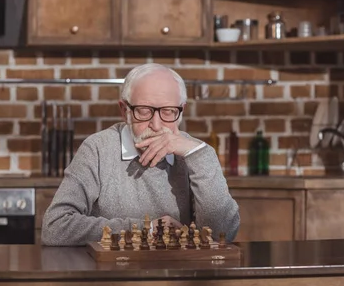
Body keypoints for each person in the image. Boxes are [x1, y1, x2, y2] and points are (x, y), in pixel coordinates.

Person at [42, 63, 239, 246]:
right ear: (124, 110)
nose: (156, 125)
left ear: (181, 111)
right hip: (114, 276)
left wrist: (198, 154)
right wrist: (147, 230)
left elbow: (222, 234)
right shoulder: (98, 148)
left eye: (169, 111)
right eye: (144, 111)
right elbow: (55, 227)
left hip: (179, 277)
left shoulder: (194, 153)